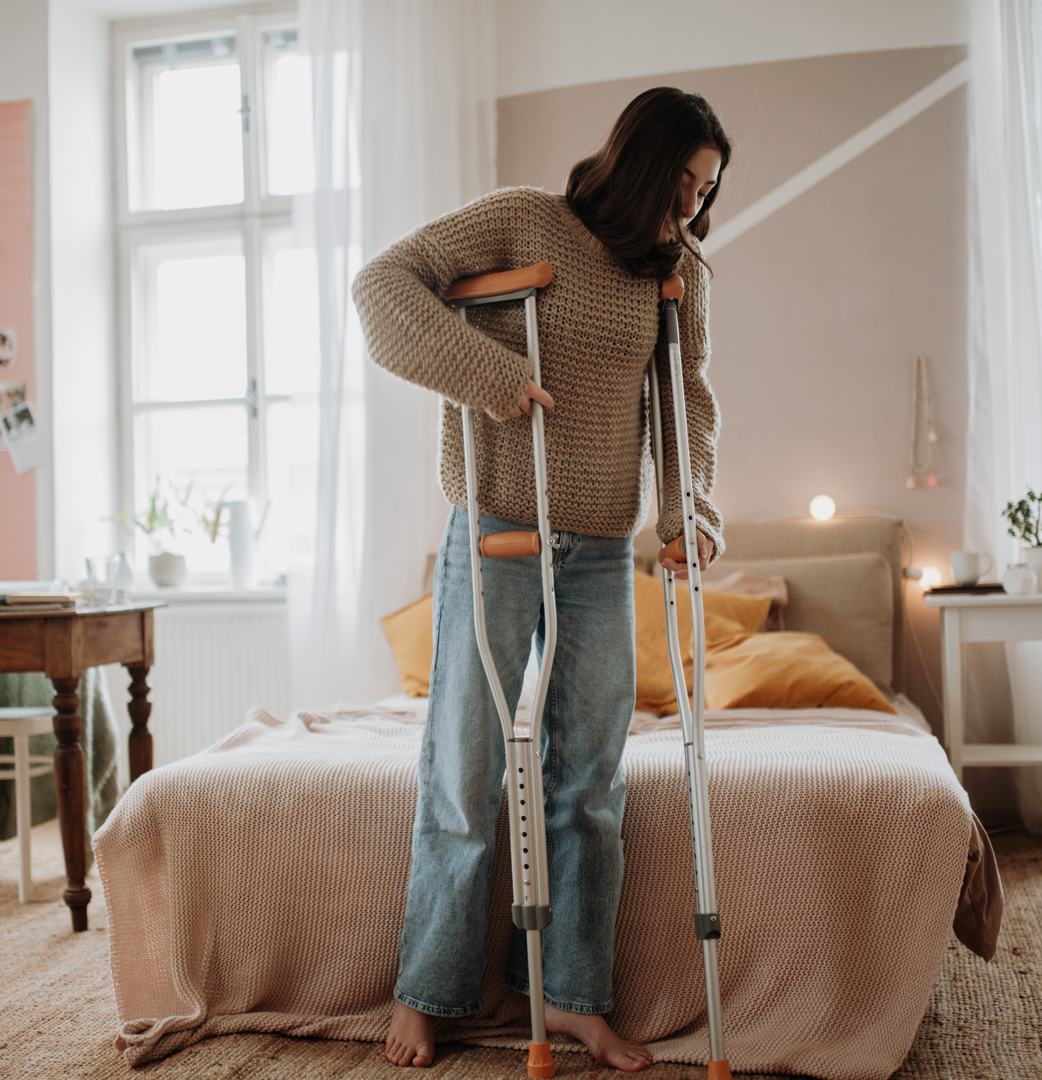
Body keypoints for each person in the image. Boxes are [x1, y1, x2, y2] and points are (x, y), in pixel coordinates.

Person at [352, 86, 731, 1072]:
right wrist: (488, 376)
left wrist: (688, 512)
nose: (690, 207)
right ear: (642, 161)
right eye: (683, 182)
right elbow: (381, 286)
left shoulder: (677, 269)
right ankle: (428, 990)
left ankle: (570, 998)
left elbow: (685, 397)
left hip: (602, 550)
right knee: (466, 768)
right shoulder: (523, 217)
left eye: (706, 192)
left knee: (588, 785)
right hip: (493, 534)